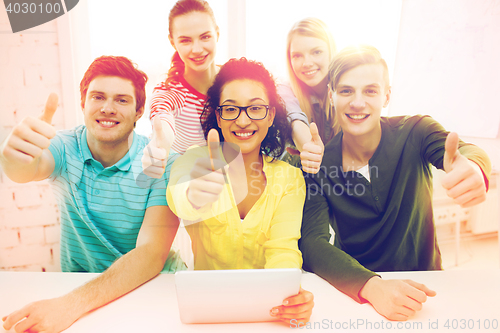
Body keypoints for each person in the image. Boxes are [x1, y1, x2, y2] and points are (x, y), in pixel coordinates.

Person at [300, 45, 491, 321]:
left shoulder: (416, 131)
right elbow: (312, 243)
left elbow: (467, 153)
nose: (357, 102)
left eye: (370, 90)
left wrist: (475, 168)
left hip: (426, 290)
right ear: (331, 96)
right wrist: (372, 287)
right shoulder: (318, 164)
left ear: (387, 95)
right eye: (345, 91)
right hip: (360, 296)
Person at [0, 56, 184, 333]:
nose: (108, 108)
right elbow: (27, 169)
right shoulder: (63, 146)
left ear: (139, 111)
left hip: (153, 285)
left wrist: (69, 306)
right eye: (98, 97)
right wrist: (13, 158)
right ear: (84, 103)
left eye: (122, 100)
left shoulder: (161, 162)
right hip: (80, 289)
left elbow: (151, 253)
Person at [166, 58, 314, 325]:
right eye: (231, 109)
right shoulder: (193, 161)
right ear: (219, 117)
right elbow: (178, 197)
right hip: (206, 310)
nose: (243, 120)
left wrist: (288, 296)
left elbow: (283, 249)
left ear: (270, 116)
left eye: (255, 108)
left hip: (267, 313)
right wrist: (193, 195)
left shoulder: (289, 177)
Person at [143, 0, 322, 178]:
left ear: (217, 34)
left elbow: (285, 107)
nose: (196, 49)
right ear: (172, 42)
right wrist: (160, 146)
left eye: (205, 37)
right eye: (185, 40)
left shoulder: (236, 79)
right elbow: (162, 122)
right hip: (190, 190)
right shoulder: (169, 93)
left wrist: (306, 144)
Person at [280, 18, 339, 172]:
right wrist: (309, 147)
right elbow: (295, 120)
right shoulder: (284, 90)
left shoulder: (347, 90)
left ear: (330, 52)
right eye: (297, 56)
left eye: (316, 52)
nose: (307, 63)